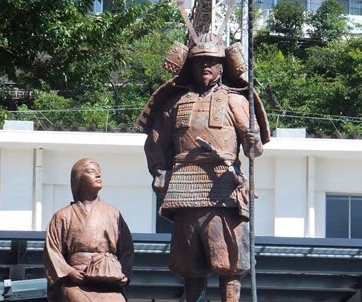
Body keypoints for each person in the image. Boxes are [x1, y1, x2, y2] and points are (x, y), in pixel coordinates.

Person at [135, 33, 270, 302]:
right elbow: (156, 143)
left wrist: (253, 141)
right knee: (190, 265)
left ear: (222, 66)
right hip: (184, 187)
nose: (205, 66)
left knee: (230, 263)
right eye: (199, 62)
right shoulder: (176, 102)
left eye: (211, 61)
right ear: (190, 66)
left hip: (224, 186)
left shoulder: (236, 100)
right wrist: (160, 173)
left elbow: (253, 150)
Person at [43, 158, 134, 302]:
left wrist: (124, 274)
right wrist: (69, 271)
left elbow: (127, 249)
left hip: (108, 280)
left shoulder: (113, 214)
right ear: (79, 178)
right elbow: (52, 251)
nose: (98, 175)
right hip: (77, 281)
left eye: (99, 172)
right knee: (76, 298)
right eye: (92, 171)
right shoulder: (63, 216)